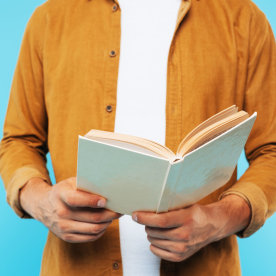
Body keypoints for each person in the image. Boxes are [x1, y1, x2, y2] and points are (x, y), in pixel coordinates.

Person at [0, 0, 275, 275]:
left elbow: (271, 151)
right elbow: (18, 140)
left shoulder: (244, 19)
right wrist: (41, 201)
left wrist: (218, 219)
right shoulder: (49, 18)